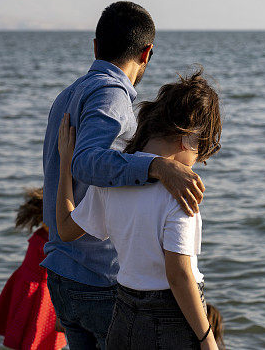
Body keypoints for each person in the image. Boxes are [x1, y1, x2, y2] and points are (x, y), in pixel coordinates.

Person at [41, 1, 206, 350]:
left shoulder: (68, 95)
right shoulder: (111, 93)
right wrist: (157, 166)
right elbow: (86, 163)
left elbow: (68, 169)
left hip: (61, 267)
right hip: (96, 277)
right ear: (146, 53)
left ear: (96, 46)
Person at [55, 68, 223, 350]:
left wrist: (66, 163)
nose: (196, 160)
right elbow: (179, 275)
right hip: (171, 320)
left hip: (124, 316)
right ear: (189, 136)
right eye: (201, 149)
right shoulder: (180, 187)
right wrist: (208, 340)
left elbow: (65, 228)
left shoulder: (112, 178)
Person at [0, 187, 67, 350]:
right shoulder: (51, 241)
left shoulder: (43, 235)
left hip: (29, 287)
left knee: (32, 337)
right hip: (38, 292)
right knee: (35, 337)